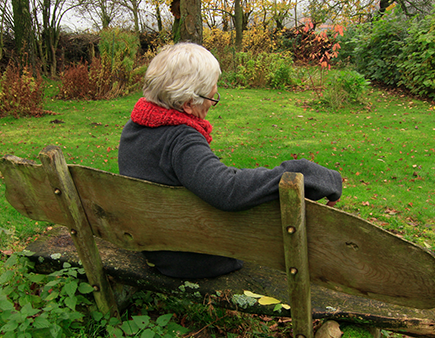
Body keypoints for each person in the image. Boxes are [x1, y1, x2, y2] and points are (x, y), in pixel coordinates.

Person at [118, 42, 342, 279]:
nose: (212, 104)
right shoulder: (181, 140)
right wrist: (305, 172)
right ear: (187, 104)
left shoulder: (135, 127)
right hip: (191, 259)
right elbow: (228, 190)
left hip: (153, 246)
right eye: (211, 97)